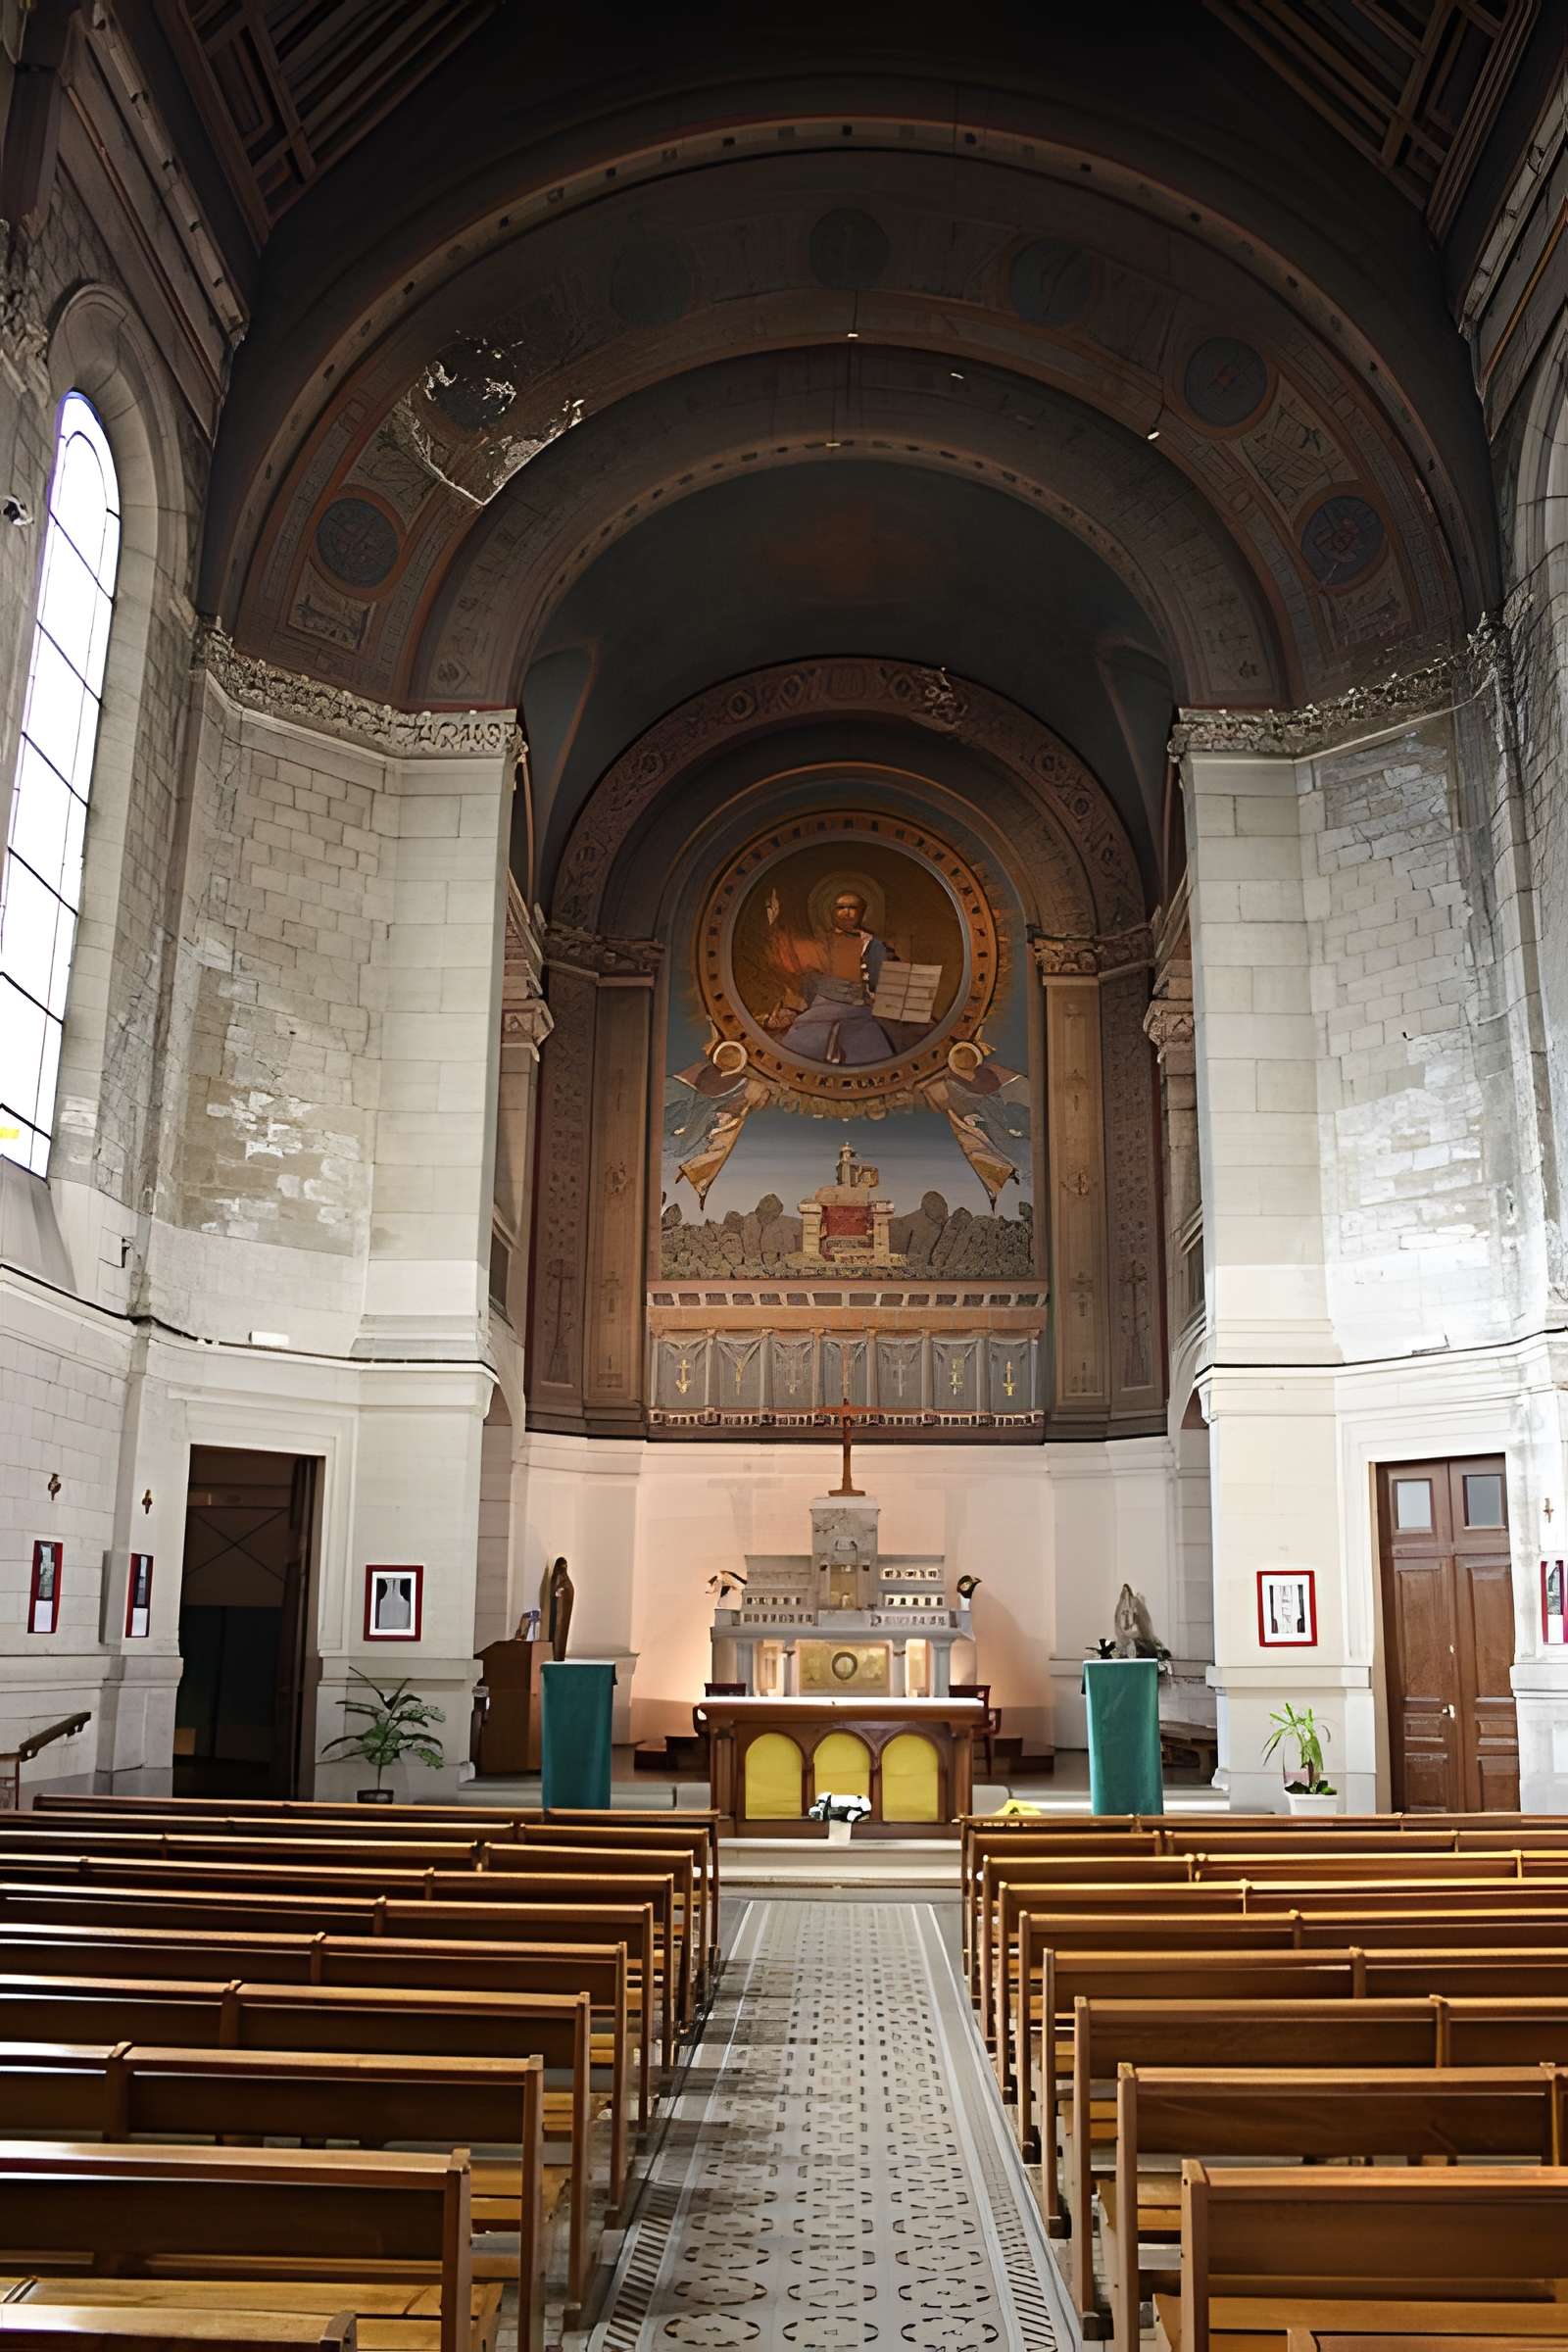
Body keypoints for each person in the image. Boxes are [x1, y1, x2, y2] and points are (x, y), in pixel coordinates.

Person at [765, 887, 899, 1065]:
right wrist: (775, 924)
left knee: (873, 1047)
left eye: (853, 907)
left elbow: (887, 984)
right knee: (798, 1046)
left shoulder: (874, 945)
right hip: (822, 1010)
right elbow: (791, 955)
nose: (847, 912)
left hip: (862, 1012)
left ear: (862, 912)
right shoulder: (822, 942)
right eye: (841, 907)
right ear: (832, 912)